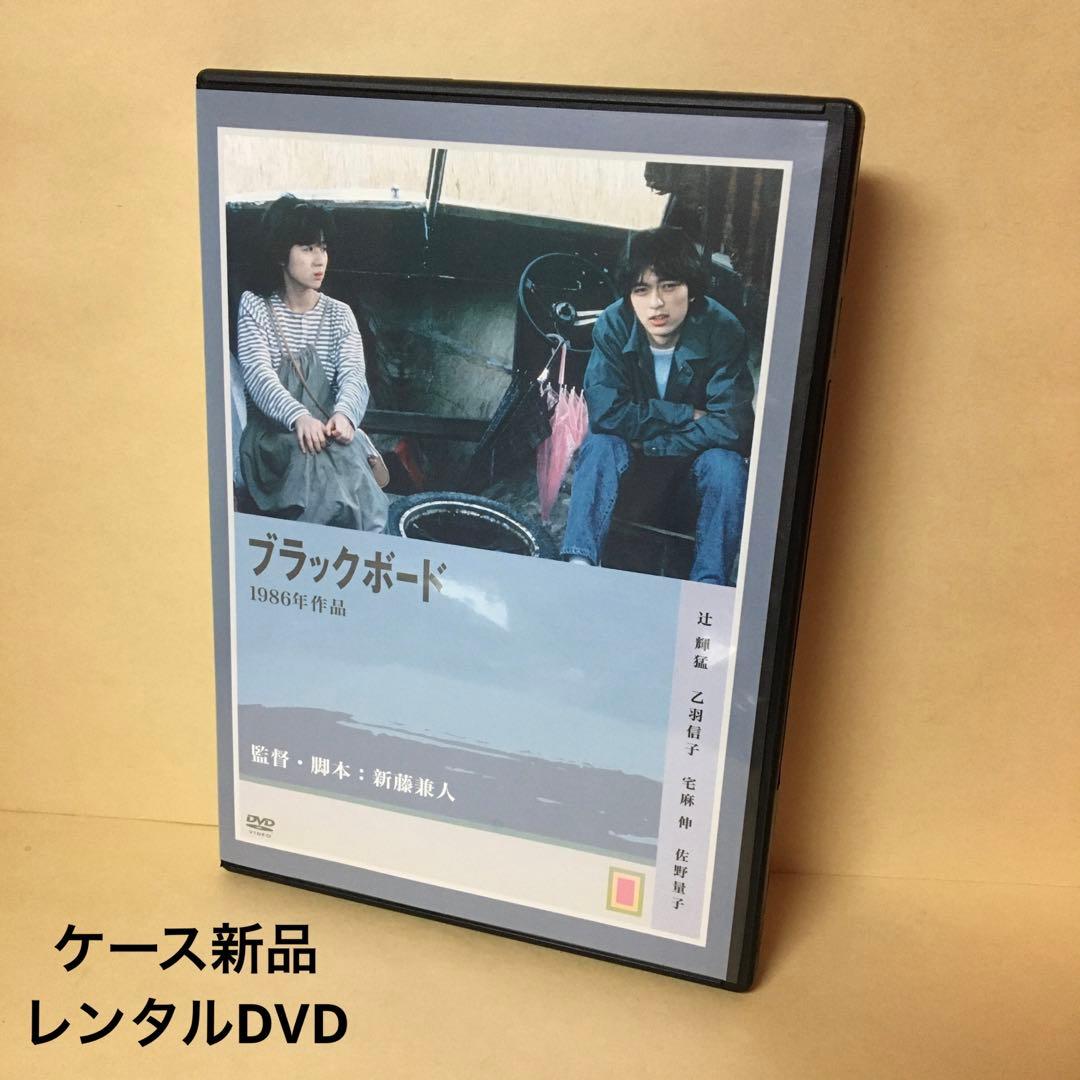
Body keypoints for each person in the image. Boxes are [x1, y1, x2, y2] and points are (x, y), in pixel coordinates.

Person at [560, 227, 754, 585]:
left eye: (669, 286)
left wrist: (652, 441)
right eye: (641, 289)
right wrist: (684, 414)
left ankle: (709, 584)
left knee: (727, 465)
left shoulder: (723, 329)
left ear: (691, 289)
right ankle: (579, 564)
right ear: (629, 295)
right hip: (632, 472)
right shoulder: (614, 323)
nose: (656, 303)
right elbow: (606, 414)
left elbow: (733, 426)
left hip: (690, 472)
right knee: (600, 444)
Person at [236, 195, 389, 531]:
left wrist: (345, 415)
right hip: (273, 441)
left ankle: (365, 552)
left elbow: (353, 375)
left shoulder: (339, 314)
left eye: (323, 248)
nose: (319, 260)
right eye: (307, 248)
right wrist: (298, 417)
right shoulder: (255, 306)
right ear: (281, 254)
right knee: (317, 473)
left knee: (356, 473)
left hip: (328, 435)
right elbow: (259, 375)